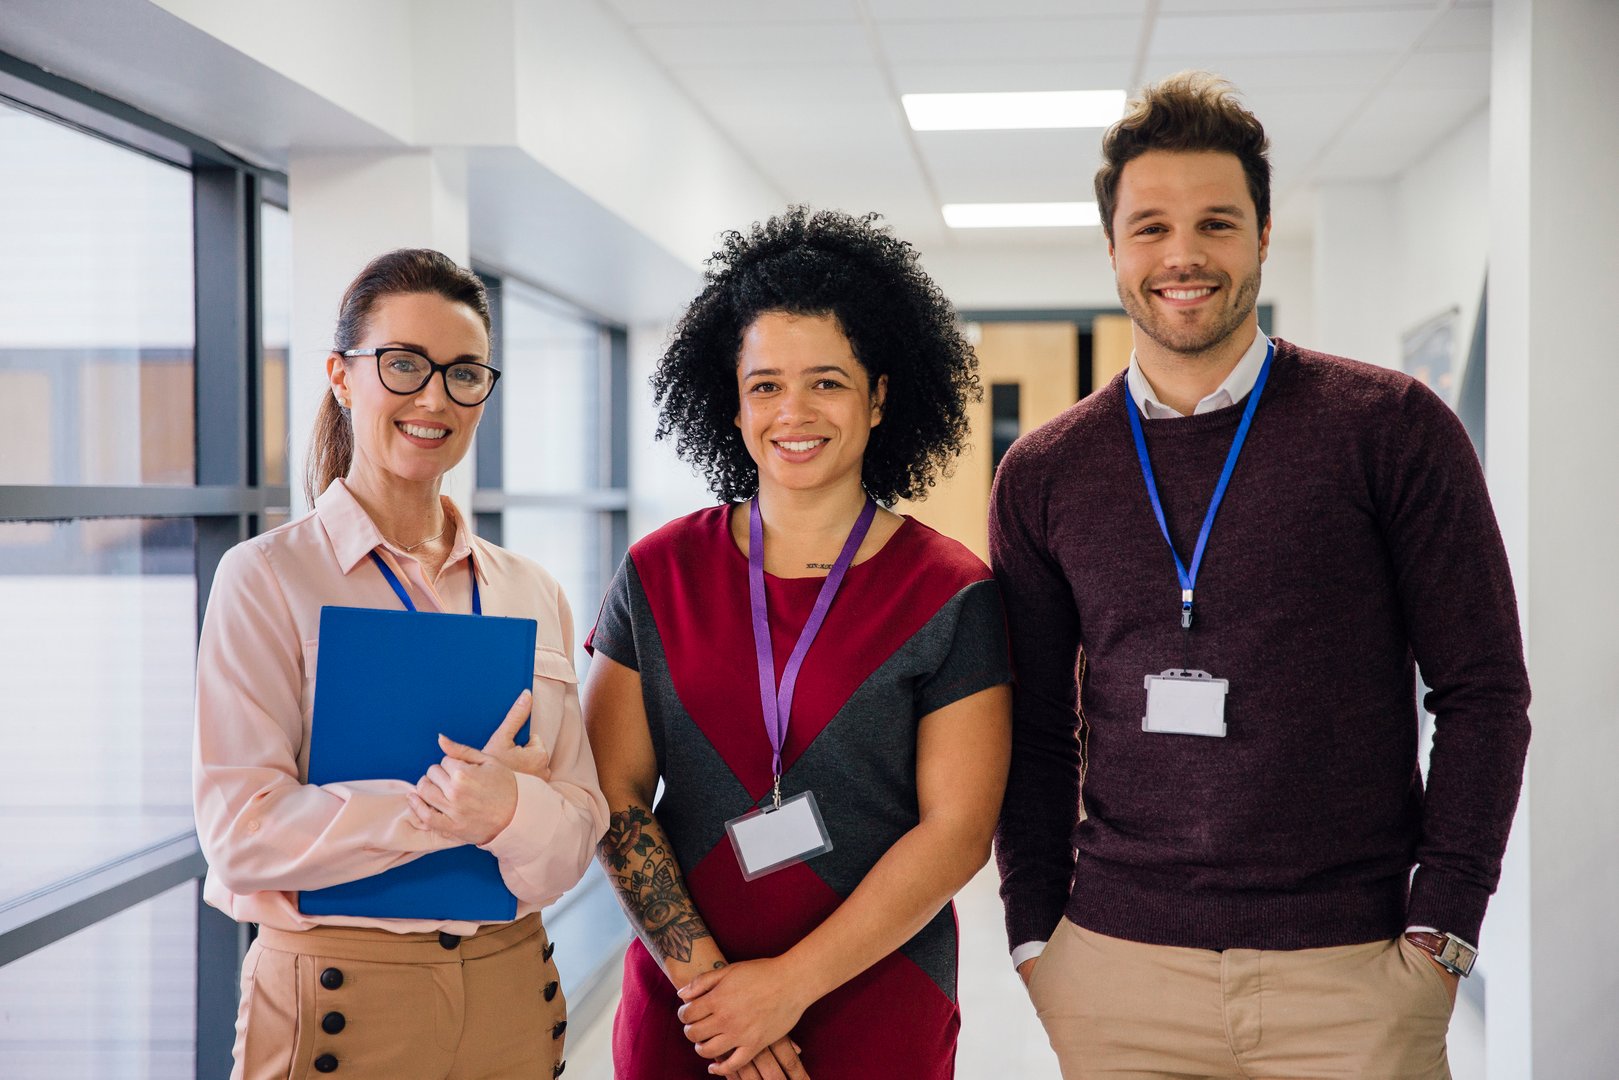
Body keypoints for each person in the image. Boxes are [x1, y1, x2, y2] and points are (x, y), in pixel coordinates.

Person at [991, 72, 1531, 1079]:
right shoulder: (1044, 472)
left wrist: (1443, 929)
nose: (1182, 255)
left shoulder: (1389, 430)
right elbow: (1028, 727)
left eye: (1215, 223)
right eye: (1148, 227)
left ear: (1263, 233)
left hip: (1350, 977)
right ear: (1111, 246)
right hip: (1117, 976)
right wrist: (1036, 938)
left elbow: (1483, 693)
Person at [582, 207, 1012, 1080]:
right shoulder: (657, 572)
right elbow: (613, 793)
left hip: (875, 993)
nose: (794, 412)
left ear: (879, 396)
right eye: (766, 384)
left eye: (827, 382)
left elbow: (958, 832)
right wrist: (714, 992)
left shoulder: (949, 590)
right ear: (731, 400)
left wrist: (785, 987)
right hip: (687, 1006)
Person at [193, 248, 608, 1079]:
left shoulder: (531, 590)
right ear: (342, 379)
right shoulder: (269, 577)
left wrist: (511, 813)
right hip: (340, 1000)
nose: (434, 398)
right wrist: (446, 812)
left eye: (464, 373)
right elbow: (240, 835)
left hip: (511, 988)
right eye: (403, 365)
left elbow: (575, 836)